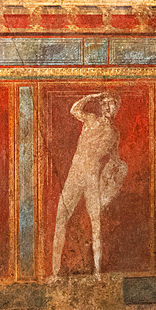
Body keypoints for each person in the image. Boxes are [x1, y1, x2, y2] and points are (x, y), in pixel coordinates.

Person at [51, 92, 127, 279]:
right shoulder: (91, 120)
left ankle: (97, 273)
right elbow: (74, 109)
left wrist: (119, 170)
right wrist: (91, 96)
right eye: (107, 104)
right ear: (102, 106)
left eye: (114, 105)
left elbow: (115, 158)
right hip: (75, 174)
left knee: (96, 223)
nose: (111, 108)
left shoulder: (114, 134)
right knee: (61, 218)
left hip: (92, 176)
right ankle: (54, 272)